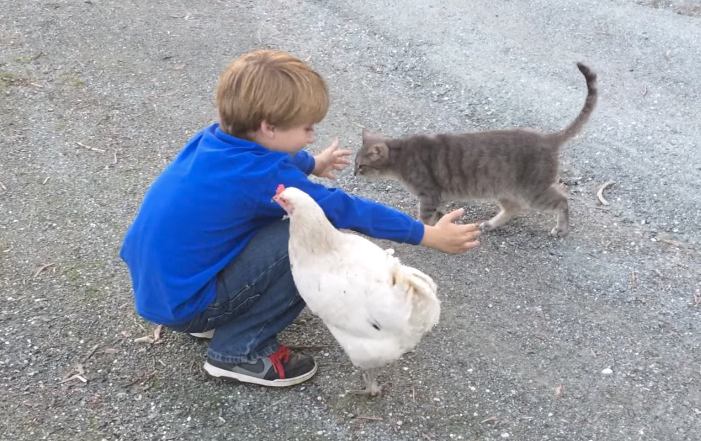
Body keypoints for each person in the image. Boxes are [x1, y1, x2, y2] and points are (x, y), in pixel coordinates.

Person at [119, 49, 481, 388]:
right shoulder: (259, 177)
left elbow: (269, 161)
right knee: (307, 237)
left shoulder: (215, 139)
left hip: (165, 289)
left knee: (277, 224)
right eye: (306, 128)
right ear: (268, 127)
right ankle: (239, 350)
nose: (311, 135)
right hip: (189, 303)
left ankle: (216, 316)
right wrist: (425, 234)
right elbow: (345, 209)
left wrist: (313, 164)